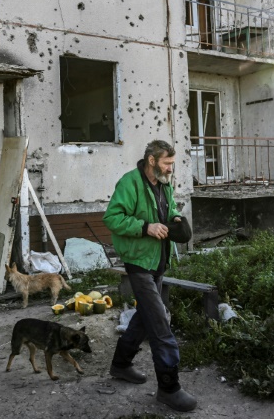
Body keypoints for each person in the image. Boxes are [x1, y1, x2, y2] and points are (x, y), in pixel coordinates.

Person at [103, 140, 197, 412]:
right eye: (167, 163)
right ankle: (169, 388)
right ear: (152, 160)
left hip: (159, 261)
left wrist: (177, 219)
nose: (171, 168)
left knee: (144, 318)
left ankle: (120, 365)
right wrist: (145, 227)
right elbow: (112, 218)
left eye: (172, 163)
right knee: (159, 323)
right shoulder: (130, 183)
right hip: (138, 262)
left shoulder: (165, 184)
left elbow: (170, 211)